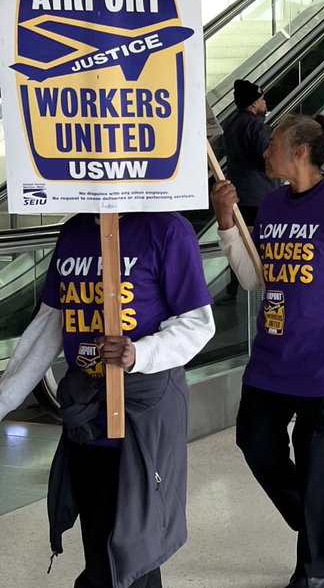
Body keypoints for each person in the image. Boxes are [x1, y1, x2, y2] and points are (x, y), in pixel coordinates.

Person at [0, 213, 215, 588]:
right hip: (87, 417)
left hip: (143, 417)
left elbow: (198, 323)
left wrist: (139, 354)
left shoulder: (165, 229)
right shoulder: (74, 232)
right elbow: (52, 322)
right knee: (100, 541)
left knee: (134, 547)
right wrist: (5, 398)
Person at [212, 114, 324, 587]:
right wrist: (226, 222)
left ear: (300, 152)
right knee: (254, 441)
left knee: (316, 461)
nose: (266, 152)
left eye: (274, 144)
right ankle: (315, 511)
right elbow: (254, 280)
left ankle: (316, 570)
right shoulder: (271, 206)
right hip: (272, 359)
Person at [219, 78, 275, 301]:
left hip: (239, 194)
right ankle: (260, 288)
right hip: (260, 195)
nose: (264, 102)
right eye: (262, 99)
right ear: (253, 103)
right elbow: (265, 159)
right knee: (262, 243)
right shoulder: (256, 126)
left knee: (239, 240)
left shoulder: (231, 122)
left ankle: (234, 288)